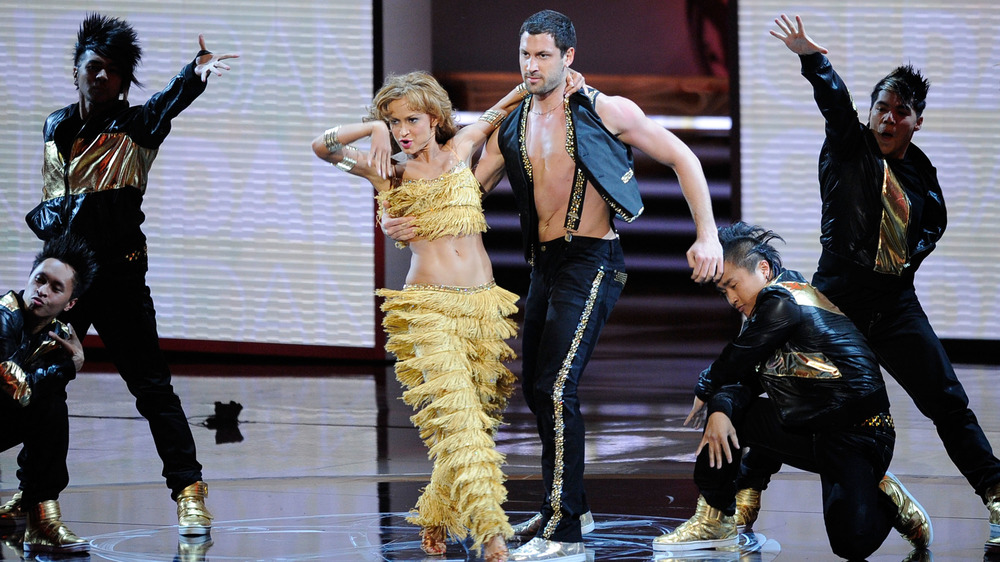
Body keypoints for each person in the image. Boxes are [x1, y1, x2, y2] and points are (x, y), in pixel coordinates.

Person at [312, 70, 580, 561]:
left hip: (483, 307)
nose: (401, 131)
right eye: (392, 122)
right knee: (458, 424)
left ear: (435, 118)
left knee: (477, 422)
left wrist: (553, 80)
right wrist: (369, 130)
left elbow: (502, 109)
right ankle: (492, 535)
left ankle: (435, 514)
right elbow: (322, 147)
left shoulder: (461, 152)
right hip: (428, 307)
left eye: (410, 119)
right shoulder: (385, 168)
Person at [764, 14, 1000, 549]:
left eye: (902, 112)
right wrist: (814, 59)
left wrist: (901, 267)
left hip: (893, 306)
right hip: (837, 302)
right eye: (882, 108)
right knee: (784, 390)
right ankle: (737, 507)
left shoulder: (921, 173)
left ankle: (996, 492)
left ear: (918, 121)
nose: (888, 119)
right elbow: (833, 104)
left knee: (947, 401)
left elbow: (930, 227)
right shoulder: (850, 145)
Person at [23, 13, 238, 536]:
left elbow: (168, 102)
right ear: (76, 71)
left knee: (151, 389)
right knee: (44, 387)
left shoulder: (137, 127)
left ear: (123, 81)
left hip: (119, 280)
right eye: (93, 67)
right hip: (66, 285)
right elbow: (54, 199)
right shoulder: (56, 126)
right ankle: (35, 500)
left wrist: (193, 74)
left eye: (113, 71)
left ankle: (189, 493)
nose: (101, 77)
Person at [654, 222, 931, 559]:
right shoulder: (769, 320)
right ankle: (714, 518)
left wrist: (706, 385)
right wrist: (719, 409)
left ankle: (888, 497)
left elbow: (736, 358)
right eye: (723, 292)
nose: (731, 299)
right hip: (815, 432)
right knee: (729, 411)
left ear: (764, 269)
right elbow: (741, 380)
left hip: (860, 436)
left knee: (850, 546)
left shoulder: (782, 300)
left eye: (733, 285)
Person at [0, 235, 98, 553]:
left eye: (56, 287)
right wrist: (73, 365)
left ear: (70, 303)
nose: (42, 290)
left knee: (52, 407)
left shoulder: (58, 335)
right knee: (45, 401)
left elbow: (37, 402)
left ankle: (40, 517)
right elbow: (16, 387)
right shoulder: (5, 315)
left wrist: (64, 366)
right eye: (39, 279)